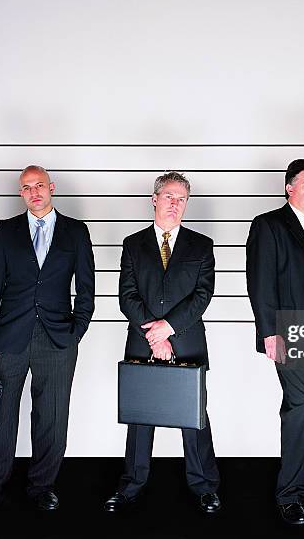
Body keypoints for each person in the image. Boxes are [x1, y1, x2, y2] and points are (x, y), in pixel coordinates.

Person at [0, 165, 95, 513]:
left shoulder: (76, 232)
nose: (34, 192)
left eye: (39, 185)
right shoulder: (6, 232)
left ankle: (42, 486)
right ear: (21, 193)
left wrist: (74, 333)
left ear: (52, 187)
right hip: (9, 338)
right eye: (26, 187)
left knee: (51, 417)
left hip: (57, 340)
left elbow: (87, 292)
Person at [104, 171, 221, 514]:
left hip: (186, 343)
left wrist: (167, 329)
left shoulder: (201, 245)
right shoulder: (133, 244)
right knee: (141, 418)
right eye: (168, 196)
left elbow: (202, 296)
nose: (174, 203)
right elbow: (127, 296)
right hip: (143, 344)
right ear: (154, 200)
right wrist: (152, 335)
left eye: (181, 198)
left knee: (194, 418)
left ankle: (205, 487)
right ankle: (130, 486)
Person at [246, 159, 304, 525]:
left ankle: (302, 482)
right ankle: (289, 494)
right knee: (300, 406)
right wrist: (270, 332)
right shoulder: (269, 225)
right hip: (288, 330)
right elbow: (260, 282)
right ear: (289, 187)